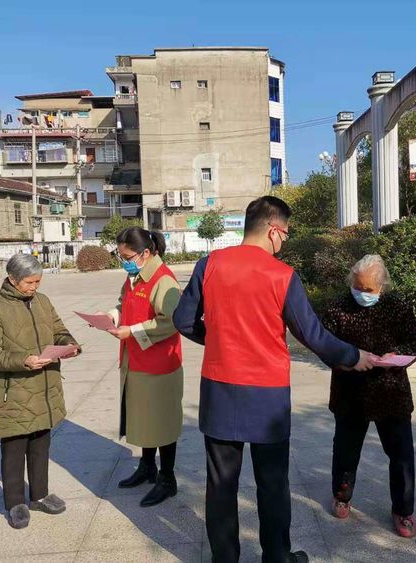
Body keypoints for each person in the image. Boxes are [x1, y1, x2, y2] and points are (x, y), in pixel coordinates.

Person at [173, 196, 374, 563]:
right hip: (267, 396)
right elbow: (311, 334)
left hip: (219, 389)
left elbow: (183, 320)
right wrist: (352, 356)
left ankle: (224, 559)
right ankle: (278, 557)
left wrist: (217, 339)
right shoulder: (282, 275)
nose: (284, 242)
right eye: (286, 234)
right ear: (273, 230)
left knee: (220, 484)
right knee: (273, 482)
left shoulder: (208, 265)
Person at [322, 254, 416, 538]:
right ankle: (342, 496)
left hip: (391, 391)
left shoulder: (398, 308)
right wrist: (348, 360)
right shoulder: (338, 308)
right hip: (349, 392)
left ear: (382, 287)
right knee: (345, 451)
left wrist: (397, 355)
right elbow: (324, 345)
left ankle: (403, 511)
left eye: (368, 289)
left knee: (402, 455)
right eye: (357, 286)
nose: (361, 293)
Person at [0, 253, 80, 529]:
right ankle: (15, 503)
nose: (34, 287)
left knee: (41, 445)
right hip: (15, 392)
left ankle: (40, 495)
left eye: (38, 282)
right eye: (29, 282)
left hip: (44, 387)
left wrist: (69, 345)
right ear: (12, 279)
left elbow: (58, 330)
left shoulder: (42, 301)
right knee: (14, 450)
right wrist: (23, 360)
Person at [103, 226, 183, 507]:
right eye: (121, 256)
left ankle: (167, 478)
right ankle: (147, 467)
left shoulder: (164, 280)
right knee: (144, 418)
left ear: (146, 253)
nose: (123, 261)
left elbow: (171, 321)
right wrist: (111, 315)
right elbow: (124, 303)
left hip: (160, 365)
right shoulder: (134, 276)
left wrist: (133, 330)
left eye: (127, 257)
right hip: (135, 360)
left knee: (163, 422)